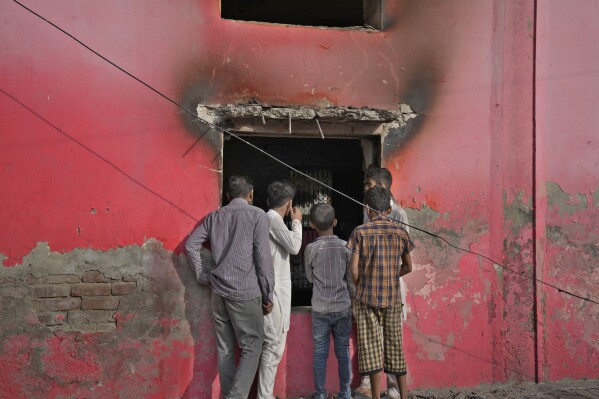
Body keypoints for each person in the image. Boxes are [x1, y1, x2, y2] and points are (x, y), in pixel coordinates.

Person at [185, 175, 274, 399]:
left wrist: (203, 276)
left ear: (227, 196)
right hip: (245, 292)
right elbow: (263, 259)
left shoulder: (215, 216)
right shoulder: (257, 216)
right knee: (253, 346)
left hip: (218, 292)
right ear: (251, 193)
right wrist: (267, 294)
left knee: (226, 350)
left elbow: (190, 245)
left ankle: (229, 395)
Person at [347, 186, 414, 399]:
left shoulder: (360, 232)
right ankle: (404, 396)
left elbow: (354, 269)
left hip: (366, 300)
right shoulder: (400, 232)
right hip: (392, 299)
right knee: (395, 346)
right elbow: (408, 267)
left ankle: (375, 397)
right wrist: (392, 276)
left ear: (368, 209)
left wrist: (361, 285)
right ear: (388, 209)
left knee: (371, 350)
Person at [257, 180, 302, 399]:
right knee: (273, 346)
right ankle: (264, 396)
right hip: (273, 292)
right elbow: (294, 247)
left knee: (273, 346)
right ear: (290, 203)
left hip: (275, 291)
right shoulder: (272, 219)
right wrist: (297, 222)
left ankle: (266, 395)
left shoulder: (269, 219)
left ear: (268, 200)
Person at [304, 203, 354, 399]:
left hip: (320, 308)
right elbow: (351, 281)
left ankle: (320, 394)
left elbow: (309, 278)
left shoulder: (311, 248)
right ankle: (345, 393)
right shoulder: (346, 248)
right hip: (343, 307)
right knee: (343, 352)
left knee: (320, 353)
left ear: (312, 225)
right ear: (335, 222)